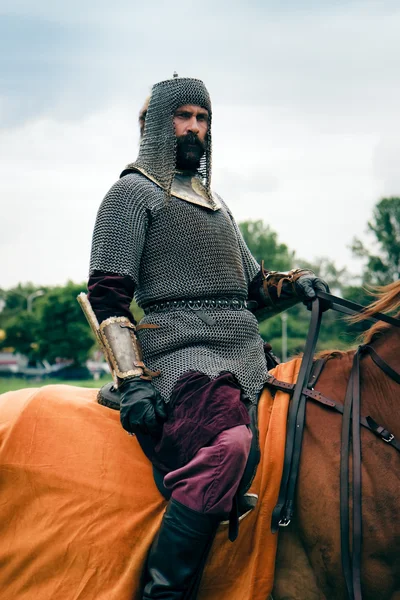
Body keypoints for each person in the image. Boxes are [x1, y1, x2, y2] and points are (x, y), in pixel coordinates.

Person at [87, 75, 329, 599]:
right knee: (231, 444)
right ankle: (164, 591)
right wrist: (133, 380)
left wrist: (294, 285)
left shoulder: (215, 204)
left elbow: (251, 289)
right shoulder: (131, 194)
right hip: (181, 355)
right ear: (155, 125)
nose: (194, 128)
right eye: (183, 117)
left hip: (245, 352)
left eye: (202, 118)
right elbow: (107, 297)